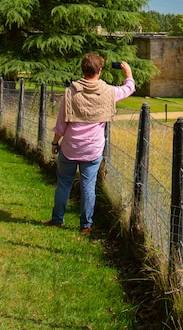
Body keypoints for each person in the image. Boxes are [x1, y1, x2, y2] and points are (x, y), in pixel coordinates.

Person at [46, 54, 135, 233]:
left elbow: (61, 123)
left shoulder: (70, 92)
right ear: (100, 70)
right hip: (92, 149)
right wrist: (128, 73)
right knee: (88, 186)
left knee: (64, 183)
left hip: (70, 146)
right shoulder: (108, 92)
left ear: (83, 70)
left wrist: (55, 143)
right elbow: (128, 89)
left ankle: (57, 220)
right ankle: (86, 225)